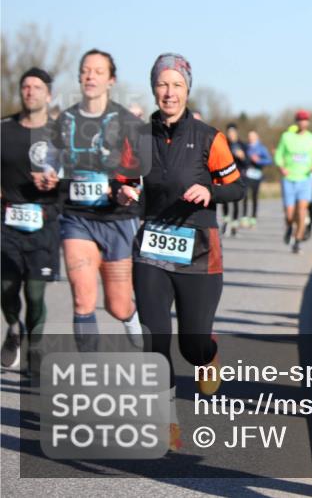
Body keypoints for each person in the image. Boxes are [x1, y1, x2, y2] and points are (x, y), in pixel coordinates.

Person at [119, 53, 245, 451]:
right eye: (162, 84)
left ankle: (209, 354)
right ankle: (165, 419)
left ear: (187, 89)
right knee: (155, 337)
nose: (168, 92)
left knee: (192, 346)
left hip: (199, 252)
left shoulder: (210, 137)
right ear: (154, 88)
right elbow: (123, 182)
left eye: (176, 85)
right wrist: (123, 191)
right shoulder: (136, 137)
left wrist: (210, 191)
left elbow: (237, 188)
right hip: (152, 249)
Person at [51, 49, 146, 352]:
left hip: (117, 219)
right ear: (79, 76)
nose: (90, 76)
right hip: (76, 218)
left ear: (111, 80)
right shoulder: (65, 120)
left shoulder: (127, 122)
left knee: (117, 304)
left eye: (98, 71)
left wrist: (126, 188)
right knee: (82, 298)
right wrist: (50, 177)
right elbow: (52, 164)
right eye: (85, 70)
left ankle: (131, 318)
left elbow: (141, 171)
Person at [1, 68, 61, 373]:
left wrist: (56, 184)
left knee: (35, 291)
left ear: (48, 95)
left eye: (37, 87)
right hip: (7, 220)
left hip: (45, 222)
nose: (30, 91)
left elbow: (73, 177)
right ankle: (14, 327)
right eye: (26, 86)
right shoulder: (4, 129)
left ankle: (36, 345)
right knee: (7, 287)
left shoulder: (59, 134)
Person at [274, 111, 312, 253]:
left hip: (305, 179)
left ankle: (297, 240)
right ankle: (290, 227)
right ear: (296, 121)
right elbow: (278, 155)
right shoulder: (286, 137)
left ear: (308, 122)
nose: (303, 122)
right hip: (289, 179)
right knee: (289, 214)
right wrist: (281, 167)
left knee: (302, 210)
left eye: (305, 120)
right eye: (300, 120)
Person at [220, 124, 248, 236]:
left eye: (233, 132)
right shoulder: (224, 143)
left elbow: (247, 163)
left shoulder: (242, 145)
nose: (231, 135)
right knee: (225, 199)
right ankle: (226, 222)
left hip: (238, 175)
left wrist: (243, 157)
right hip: (225, 176)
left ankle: (234, 226)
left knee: (236, 201)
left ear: (236, 133)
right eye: (229, 132)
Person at [242, 129, 272, 228]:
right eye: (249, 136)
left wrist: (259, 160)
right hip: (246, 174)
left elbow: (269, 160)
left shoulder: (261, 148)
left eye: (253, 136)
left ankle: (253, 217)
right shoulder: (246, 147)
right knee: (245, 195)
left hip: (256, 175)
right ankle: (245, 216)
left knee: (254, 196)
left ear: (257, 137)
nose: (251, 138)